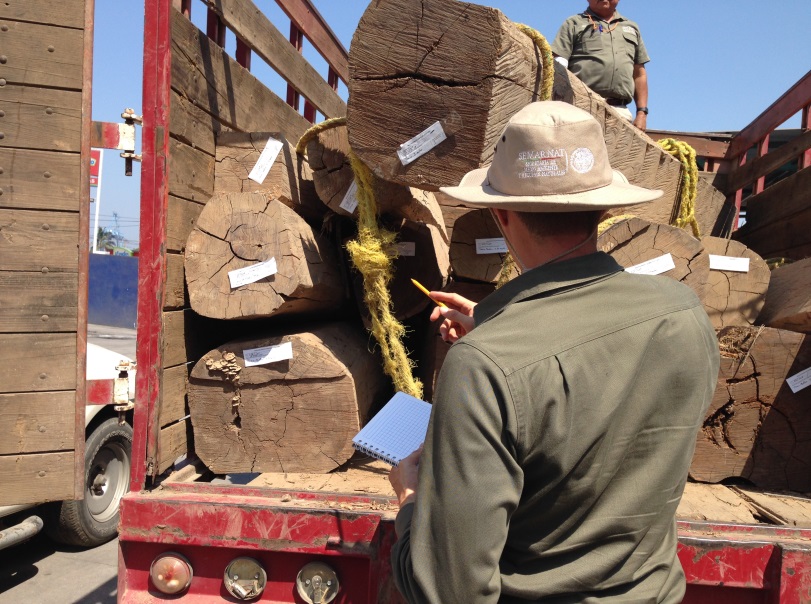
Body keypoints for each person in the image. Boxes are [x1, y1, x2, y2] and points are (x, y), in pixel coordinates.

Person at [388, 101, 720, 603]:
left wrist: (410, 502)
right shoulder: (683, 312)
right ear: (605, 209)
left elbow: (450, 592)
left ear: (500, 214)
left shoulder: (482, 366)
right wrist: (499, 328)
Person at [551, 0, 650, 130]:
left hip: (620, 112)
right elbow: (558, 66)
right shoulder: (574, 23)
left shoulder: (631, 27)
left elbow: (639, 74)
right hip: (580, 109)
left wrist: (642, 113)